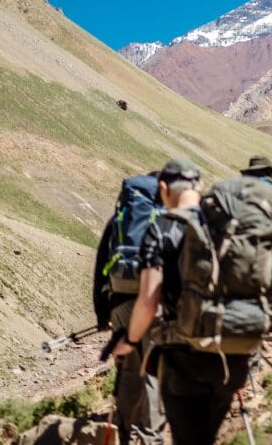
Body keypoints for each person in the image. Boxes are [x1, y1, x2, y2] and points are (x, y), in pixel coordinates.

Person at [114, 158, 272, 445]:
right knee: (206, 434)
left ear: (163, 188)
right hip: (235, 352)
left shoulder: (162, 228)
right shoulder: (226, 227)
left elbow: (147, 300)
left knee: (188, 438)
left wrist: (131, 341)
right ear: (201, 186)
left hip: (184, 355)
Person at [93, 177, 166, 445]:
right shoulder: (164, 219)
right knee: (153, 366)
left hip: (119, 302)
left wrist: (102, 316)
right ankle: (151, 436)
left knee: (126, 366)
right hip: (153, 300)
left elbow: (100, 268)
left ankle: (124, 430)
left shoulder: (119, 220)